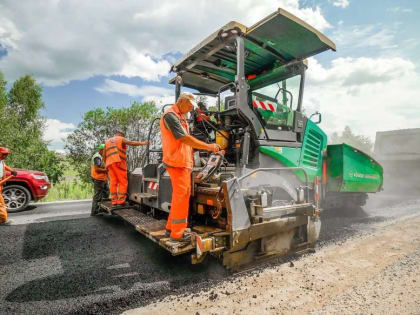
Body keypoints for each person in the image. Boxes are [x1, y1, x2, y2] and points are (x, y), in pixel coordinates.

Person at [160, 92, 220, 243]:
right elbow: (184, 138)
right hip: (176, 162)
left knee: (181, 195)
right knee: (181, 195)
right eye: (189, 105)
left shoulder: (180, 116)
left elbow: (185, 143)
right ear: (182, 101)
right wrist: (209, 147)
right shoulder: (170, 115)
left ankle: (170, 228)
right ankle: (178, 234)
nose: (190, 109)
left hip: (183, 162)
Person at [105, 130, 148, 206]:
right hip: (118, 162)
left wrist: (106, 165)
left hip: (109, 164)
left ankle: (114, 201)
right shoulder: (120, 138)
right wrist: (143, 143)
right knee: (123, 182)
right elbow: (132, 143)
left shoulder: (107, 141)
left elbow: (104, 154)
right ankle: (121, 201)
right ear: (121, 134)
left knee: (113, 182)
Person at [0, 147, 17, 226]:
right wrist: (10, 177)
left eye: (6, 154)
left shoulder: (1, 161)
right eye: (4, 154)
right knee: (1, 204)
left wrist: (12, 171)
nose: (5, 156)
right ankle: (3, 220)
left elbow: (5, 166)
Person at [91, 144, 109, 216]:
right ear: (101, 150)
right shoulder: (97, 157)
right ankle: (94, 212)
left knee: (106, 193)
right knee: (97, 196)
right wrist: (106, 170)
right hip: (98, 179)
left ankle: (102, 210)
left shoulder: (102, 157)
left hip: (103, 179)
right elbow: (97, 169)